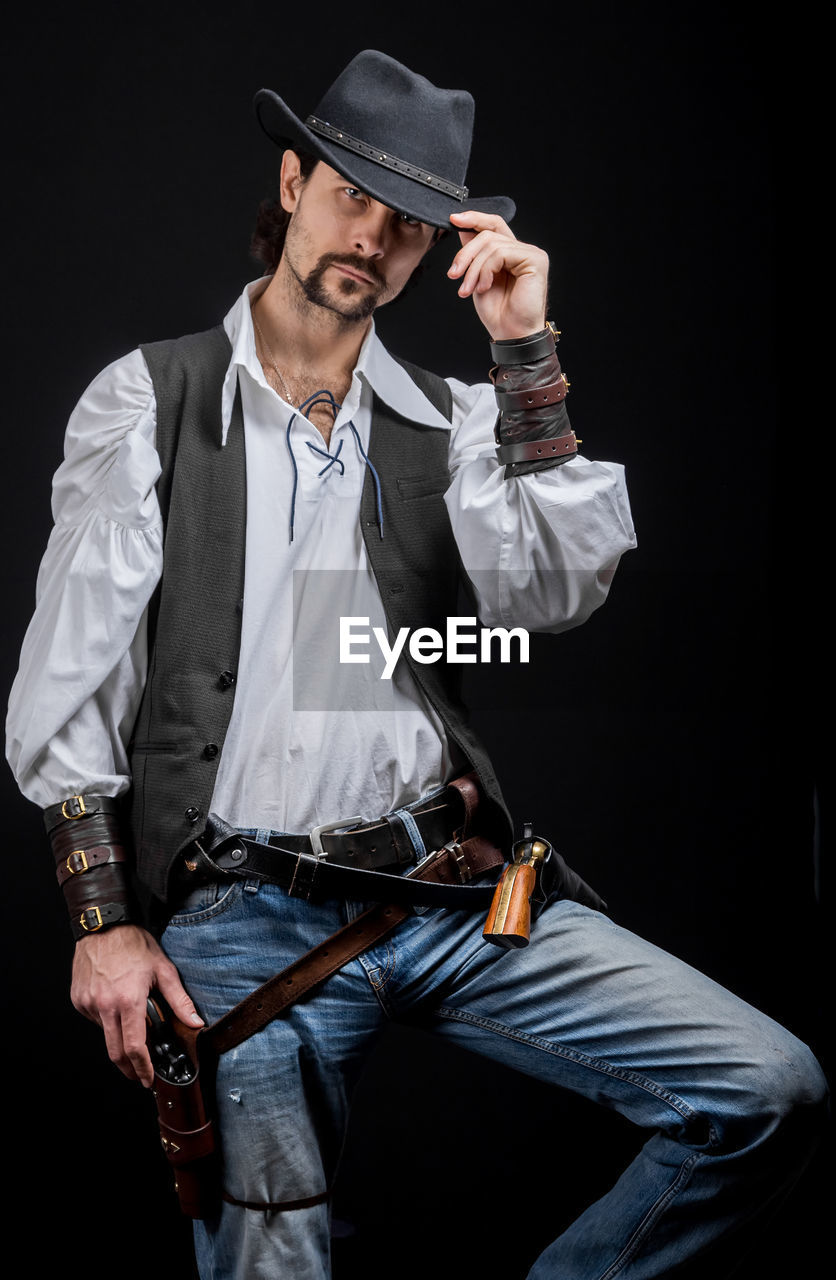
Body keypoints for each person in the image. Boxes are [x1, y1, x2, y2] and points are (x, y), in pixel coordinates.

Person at [5, 49, 826, 1280]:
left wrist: (524, 345)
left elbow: (550, 592)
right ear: (291, 181)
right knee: (274, 1266)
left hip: (448, 891)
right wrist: (101, 925)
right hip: (242, 912)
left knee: (766, 1083)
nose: (371, 238)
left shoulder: (455, 417)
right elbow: (75, 682)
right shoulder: (152, 401)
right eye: (349, 196)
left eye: (407, 224)